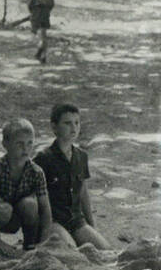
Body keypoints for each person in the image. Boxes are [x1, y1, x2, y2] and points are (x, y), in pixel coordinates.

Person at [33, 104, 110, 249]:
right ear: (54, 127)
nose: (73, 128)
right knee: (72, 252)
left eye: (77, 122)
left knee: (105, 251)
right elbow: (33, 198)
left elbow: (83, 192)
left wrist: (91, 225)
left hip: (76, 220)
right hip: (53, 221)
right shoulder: (43, 158)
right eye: (67, 123)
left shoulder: (81, 156)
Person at [0, 118, 54, 256]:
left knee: (30, 204)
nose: (26, 149)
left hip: (19, 214)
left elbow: (46, 209)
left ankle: (30, 245)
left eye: (30, 143)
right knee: (3, 210)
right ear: (5, 144)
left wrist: (43, 243)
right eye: (19, 144)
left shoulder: (36, 172)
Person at [26, 0, 55, 64]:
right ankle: (41, 52)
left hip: (41, 14)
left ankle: (42, 54)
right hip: (38, 14)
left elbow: (51, 3)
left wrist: (43, 7)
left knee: (41, 34)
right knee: (39, 35)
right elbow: (29, 3)